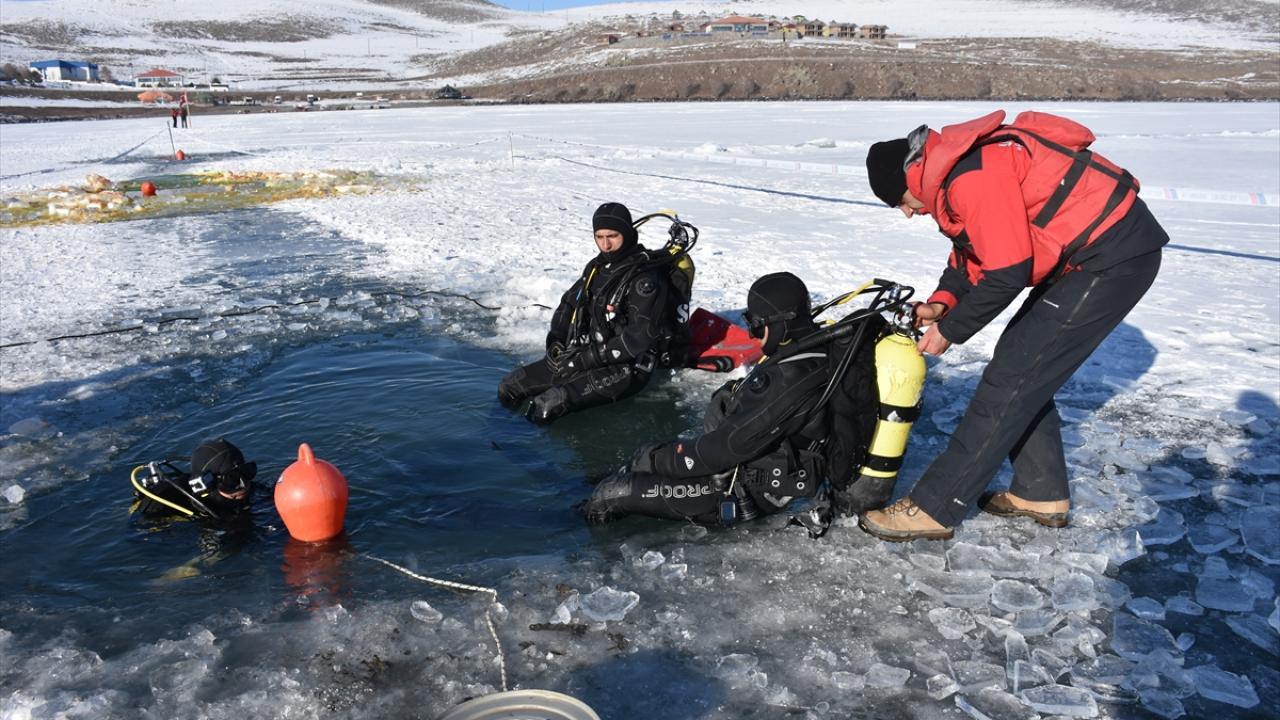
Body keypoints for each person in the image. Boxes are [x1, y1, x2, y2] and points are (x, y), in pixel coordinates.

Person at [858, 110, 1168, 541]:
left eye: (900, 203)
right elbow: (973, 254)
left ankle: (934, 507)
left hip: (1112, 258)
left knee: (1012, 376)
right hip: (1095, 254)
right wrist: (941, 304)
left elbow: (1007, 272)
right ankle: (1040, 493)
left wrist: (950, 331)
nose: (908, 214)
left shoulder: (971, 176)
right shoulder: (954, 174)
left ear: (910, 180)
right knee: (1020, 366)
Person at [580, 272, 880, 525]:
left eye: (755, 324)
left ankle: (572, 548)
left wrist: (657, 458)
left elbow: (723, 449)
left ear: (777, 323)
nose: (752, 333)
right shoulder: (807, 352)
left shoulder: (792, 377)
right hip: (742, 469)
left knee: (611, 495)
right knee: (640, 460)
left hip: (746, 491)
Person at [498, 202, 683, 424]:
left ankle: (520, 453)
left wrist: (585, 360)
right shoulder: (597, 268)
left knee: (548, 405)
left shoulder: (644, 279)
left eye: (613, 236)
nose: (606, 244)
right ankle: (492, 443)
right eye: (599, 237)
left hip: (626, 367)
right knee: (509, 386)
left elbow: (640, 337)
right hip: (585, 354)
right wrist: (556, 339)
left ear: (627, 233)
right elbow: (568, 304)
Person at [131, 438, 257, 519]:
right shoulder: (169, 506)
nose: (243, 484)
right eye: (231, 479)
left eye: (247, 471)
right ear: (207, 483)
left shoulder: (246, 489)